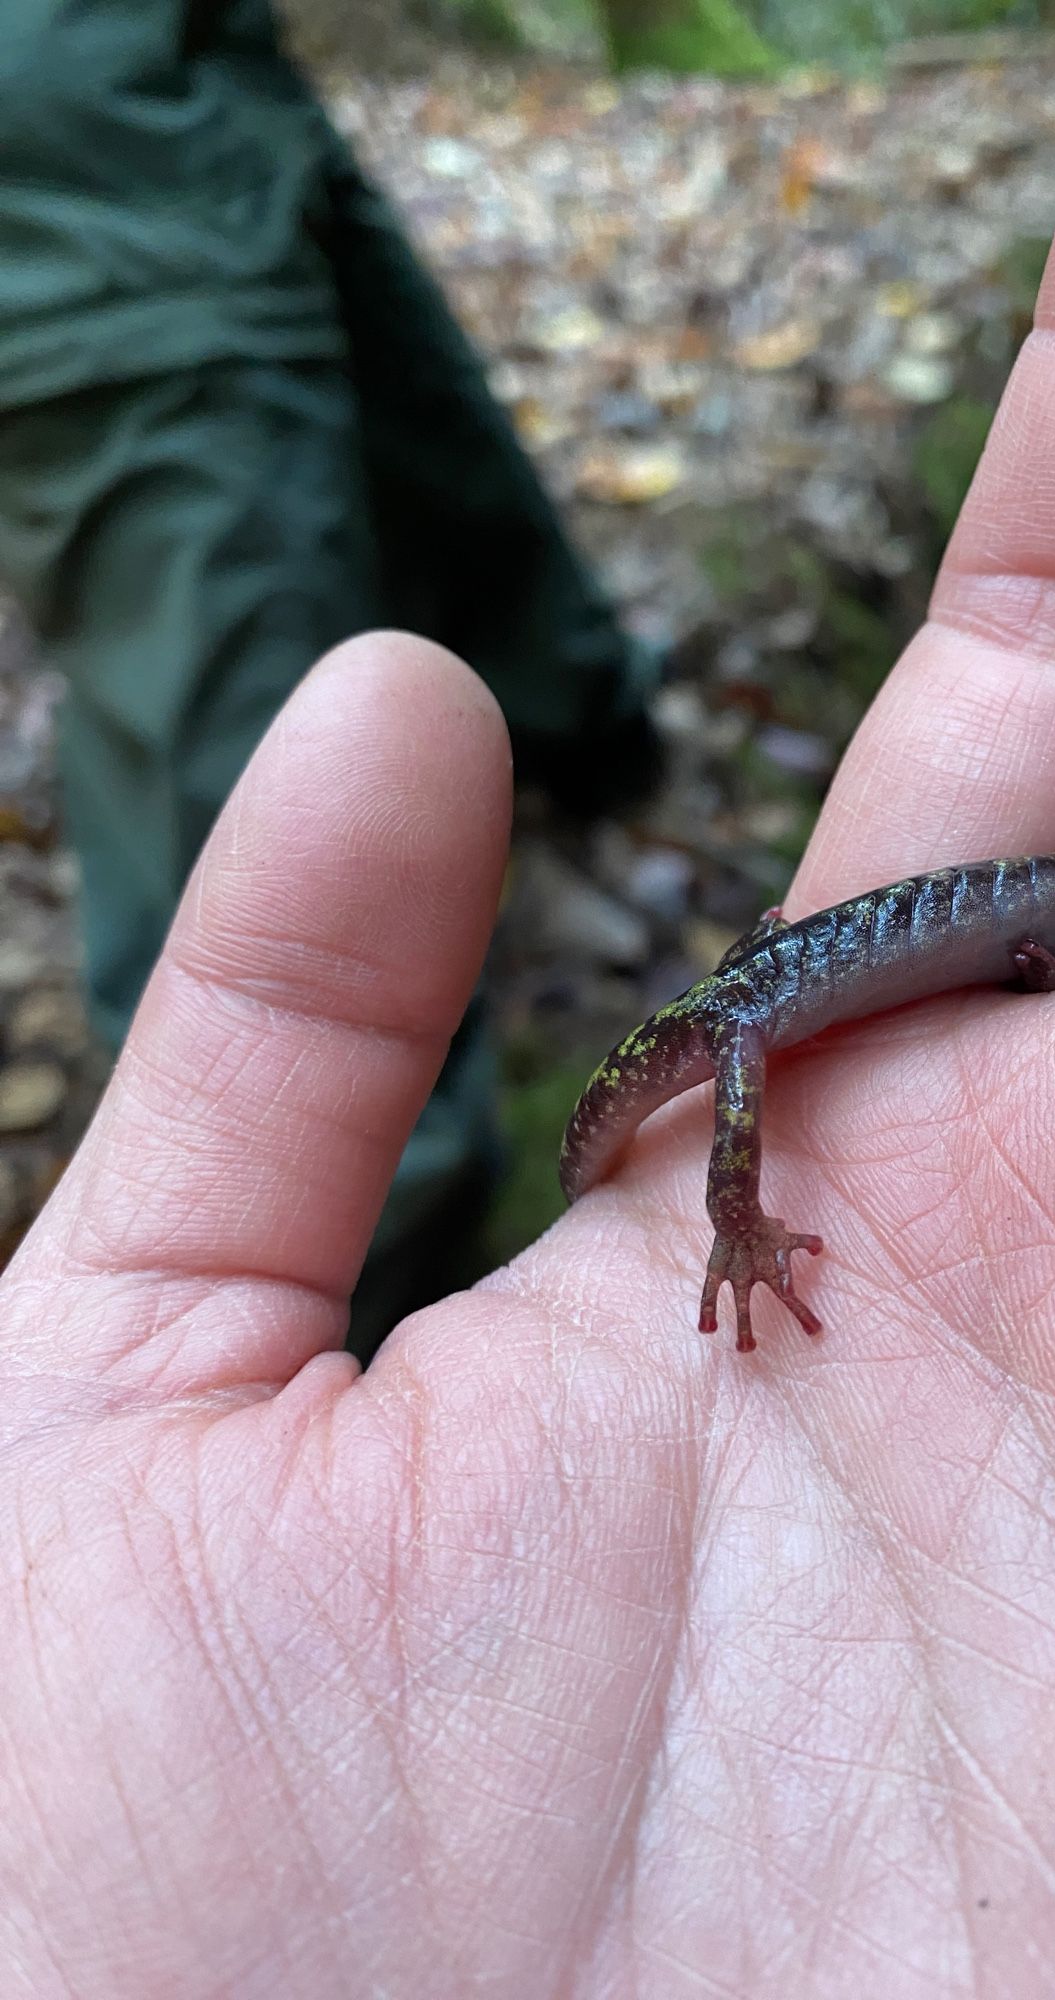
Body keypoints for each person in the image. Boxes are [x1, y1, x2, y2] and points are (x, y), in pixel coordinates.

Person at [3, 0, 1055, 1984]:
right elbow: (742, 1059)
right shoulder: (733, 1048)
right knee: (751, 1031)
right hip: (808, 988)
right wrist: (729, 1194)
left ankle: (595, 777)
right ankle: (561, 1068)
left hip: (1011, 916)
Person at [0, 0, 659, 1343]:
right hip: (73, 182)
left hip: (217, 92)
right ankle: (324, 1338)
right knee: (255, 787)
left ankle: (594, 762)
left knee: (441, 464)